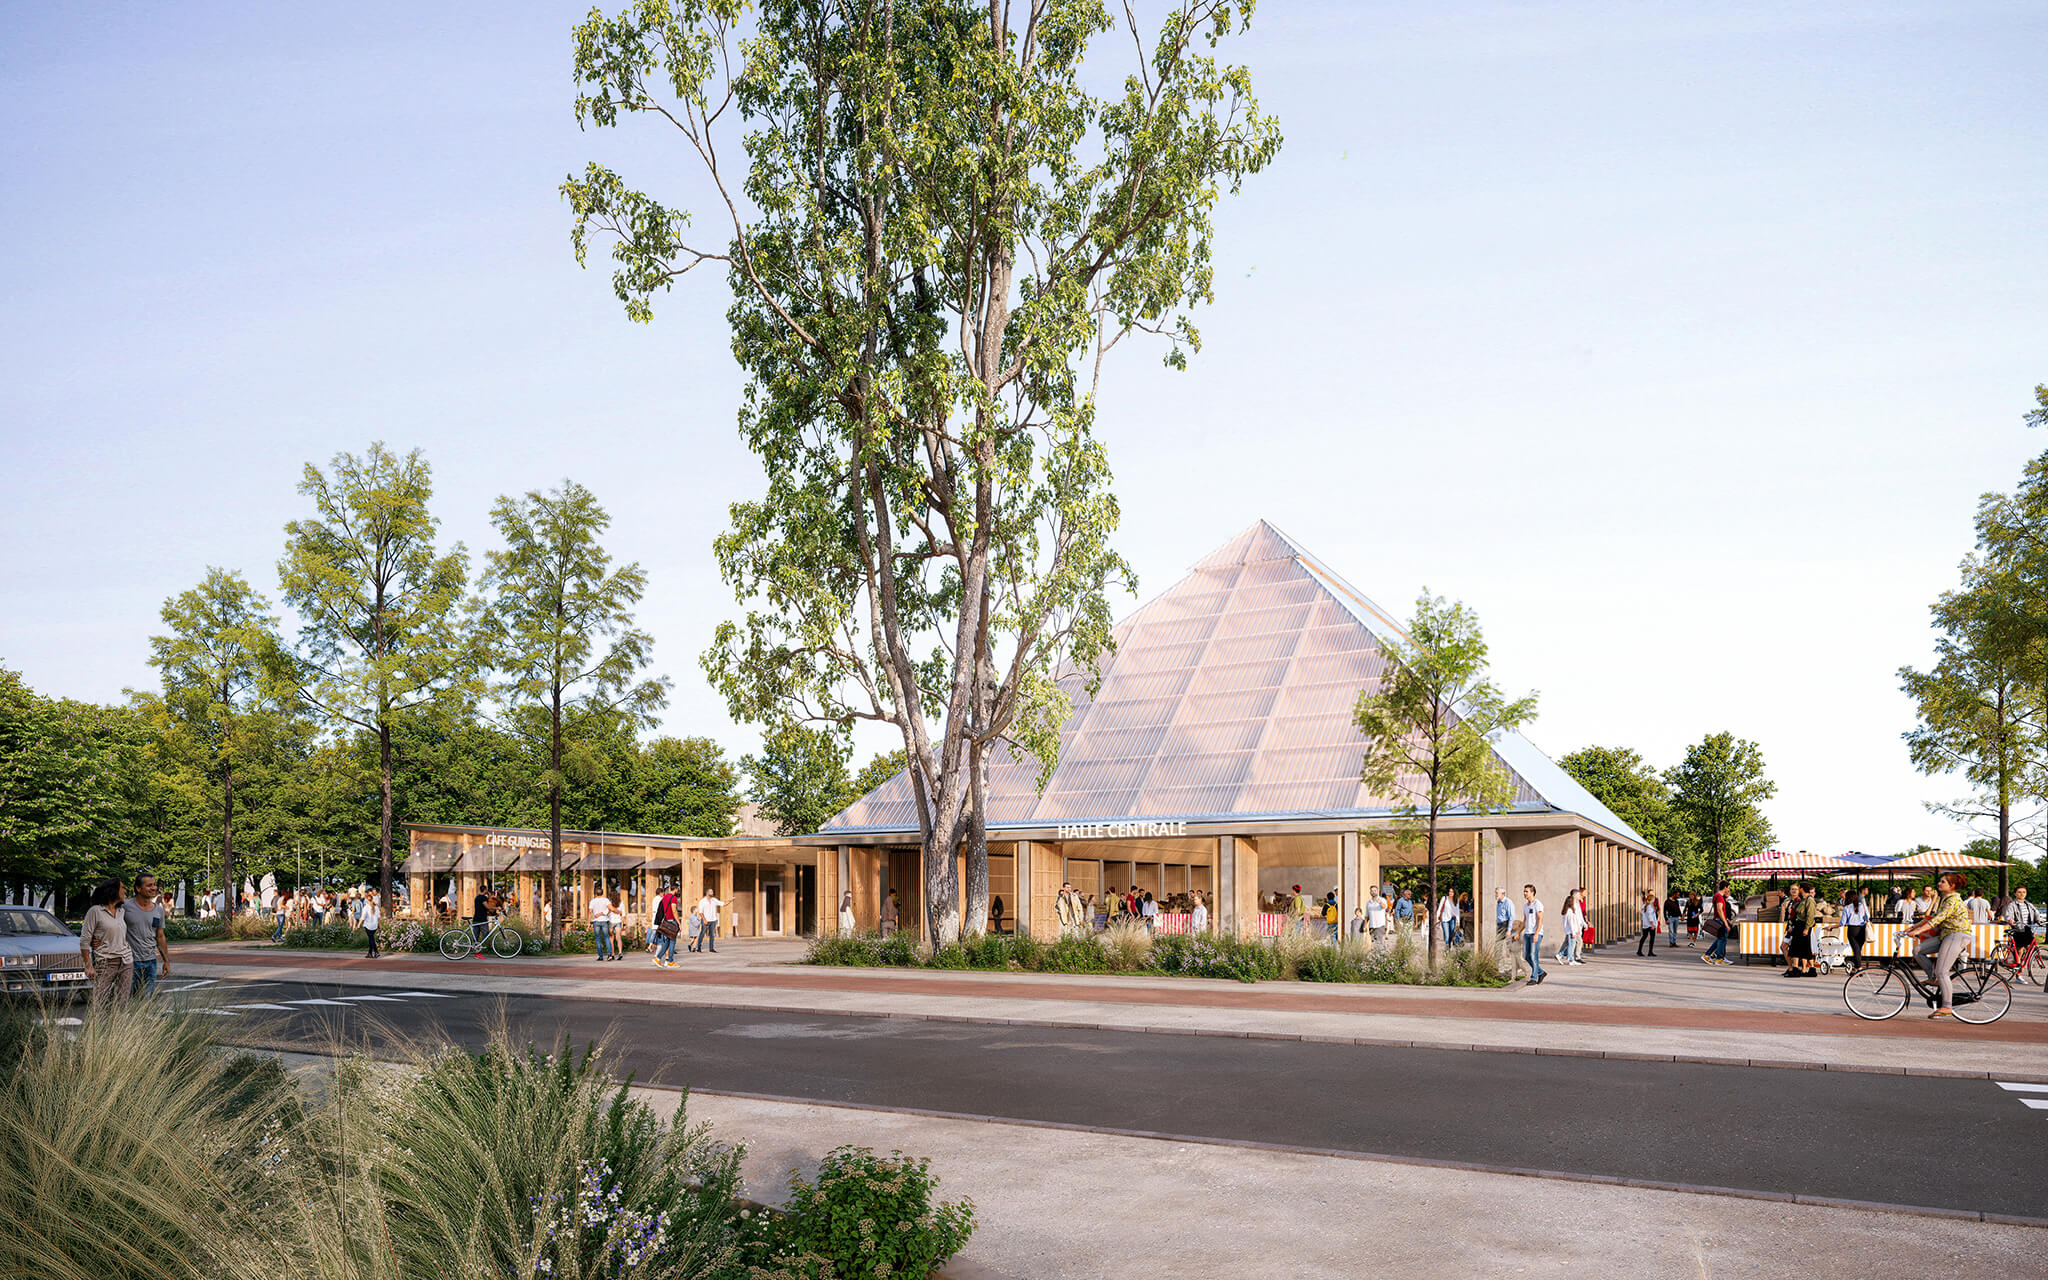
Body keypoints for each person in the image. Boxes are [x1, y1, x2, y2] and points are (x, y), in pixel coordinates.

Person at [1909, 873, 1973, 1019]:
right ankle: (1934, 978)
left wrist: (1918, 931)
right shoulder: (1945, 899)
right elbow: (1932, 917)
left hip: (1957, 935)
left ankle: (1947, 1006)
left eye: (1943, 882)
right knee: (1918, 950)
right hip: (1946, 935)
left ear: (1952, 886)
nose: (1939, 883)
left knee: (1942, 970)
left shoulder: (1953, 900)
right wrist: (1913, 927)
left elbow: (1938, 919)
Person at [81, 879, 132, 1010]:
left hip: (126, 961)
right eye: (122, 888)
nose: (125, 891)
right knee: (100, 1002)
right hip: (106, 961)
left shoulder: (121, 911)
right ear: (113, 890)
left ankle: (120, 1029)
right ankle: (99, 1029)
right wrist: (88, 966)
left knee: (122, 1003)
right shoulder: (95, 911)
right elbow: (84, 940)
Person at [121, 872, 171, 997]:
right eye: (149, 885)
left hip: (150, 962)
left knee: (146, 1000)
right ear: (138, 888)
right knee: (126, 998)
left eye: (154, 885)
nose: (154, 888)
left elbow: (160, 936)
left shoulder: (158, 910)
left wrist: (166, 961)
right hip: (129, 962)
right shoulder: (125, 906)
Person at [1782, 881, 1819, 977]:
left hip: (1803, 925)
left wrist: (1806, 928)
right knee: (1800, 948)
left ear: (1802, 889)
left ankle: (1797, 969)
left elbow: (1810, 915)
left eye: (1799, 888)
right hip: (1799, 925)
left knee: (1799, 947)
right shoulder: (1803, 899)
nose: (1798, 889)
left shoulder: (1809, 900)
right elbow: (1797, 909)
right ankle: (1805, 969)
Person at [1517, 884, 1546, 985]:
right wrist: (1518, 932)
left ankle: (1534, 978)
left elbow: (1540, 919)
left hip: (1535, 934)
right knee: (1526, 956)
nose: (1524, 893)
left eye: (1526, 891)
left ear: (1532, 892)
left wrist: (1536, 933)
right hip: (1527, 933)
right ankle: (1541, 972)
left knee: (1533, 956)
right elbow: (1525, 921)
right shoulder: (1525, 905)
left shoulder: (1538, 904)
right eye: (1524, 891)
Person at [1702, 880, 1736, 965]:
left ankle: (1709, 955)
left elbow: (1722, 911)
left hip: (1721, 919)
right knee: (1722, 939)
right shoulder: (1719, 897)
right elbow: (1720, 910)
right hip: (1720, 920)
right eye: (1728, 887)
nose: (1728, 889)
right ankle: (1719, 958)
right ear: (1725, 887)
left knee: (1721, 939)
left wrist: (1727, 920)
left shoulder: (1717, 896)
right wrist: (1725, 923)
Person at [2002, 886, 2039, 958]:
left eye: (2024, 892)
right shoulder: (2012, 905)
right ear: (2015, 894)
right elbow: (2008, 915)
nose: (2022, 894)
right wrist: (2010, 920)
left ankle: (2022, 962)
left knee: (2029, 947)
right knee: (2019, 949)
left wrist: (2038, 919)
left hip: (2028, 928)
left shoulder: (2029, 905)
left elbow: (2036, 912)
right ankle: (2018, 965)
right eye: (2019, 892)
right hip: (2018, 929)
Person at [1839, 889, 1869, 971]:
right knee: (1858, 949)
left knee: (1856, 949)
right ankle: (1855, 968)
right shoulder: (1863, 906)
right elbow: (1868, 917)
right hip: (1862, 929)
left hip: (1852, 929)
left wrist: (1831, 927)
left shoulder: (1847, 908)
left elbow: (1842, 922)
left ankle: (1859, 968)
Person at [652, 887, 682, 967]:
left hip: (665, 922)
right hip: (672, 922)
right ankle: (670, 961)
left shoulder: (664, 897)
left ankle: (657, 958)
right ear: (675, 889)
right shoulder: (673, 898)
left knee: (667, 942)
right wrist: (679, 923)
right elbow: (674, 910)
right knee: (672, 942)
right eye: (677, 889)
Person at [1559, 891, 1585, 966]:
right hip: (1572, 931)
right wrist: (1574, 932)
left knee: (1568, 944)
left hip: (1572, 930)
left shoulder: (1569, 910)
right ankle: (1571, 959)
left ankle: (1560, 955)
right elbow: (1571, 922)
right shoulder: (1570, 911)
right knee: (1572, 945)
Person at [589, 889, 614, 962]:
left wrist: (588, 923)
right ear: (602, 893)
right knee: (606, 937)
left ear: (595, 894)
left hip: (596, 921)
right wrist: (605, 913)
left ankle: (600, 956)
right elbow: (611, 909)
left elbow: (590, 912)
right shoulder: (606, 900)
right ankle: (609, 954)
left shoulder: (592, 901)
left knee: (598, 939)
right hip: (604, 920)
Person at [1635, 891, 1659, 957]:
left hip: (1645, 924)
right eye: (1653, 899)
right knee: (1652, 938)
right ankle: (1650, 952)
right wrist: (1652, 924)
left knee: (1644, 937)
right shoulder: (1649, 907)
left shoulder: (1645, 905)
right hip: (1650, 925)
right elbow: (1650, 915)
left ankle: (1639, 951)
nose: (1654, 900)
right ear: (1651, 900)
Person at [359, 890, 381, 958]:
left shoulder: (365, 907)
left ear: (367, 900)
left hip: (368, 925)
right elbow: (378, 918)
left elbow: (362, 917)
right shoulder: (376, 907)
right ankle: (370, 953)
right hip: (374, 925)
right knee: (371, 938)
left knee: (371, 939)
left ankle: (376, 951)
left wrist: (358, 924)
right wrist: (380, 925)